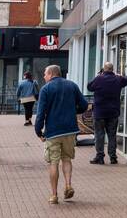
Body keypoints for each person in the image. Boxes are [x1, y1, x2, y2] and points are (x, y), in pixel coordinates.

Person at [34, 65, 89, 205]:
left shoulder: (46, 89)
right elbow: (84, 105)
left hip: (53, 131)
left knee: (53, 162)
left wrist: (38, 131)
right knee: (67, 159)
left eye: (45, 74)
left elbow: (40, 113)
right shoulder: (72, 85)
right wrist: (72, 111)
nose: (44, 77)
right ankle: (68, 185)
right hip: (70, 130)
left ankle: (54, 195)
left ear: (51, 74)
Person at [87, 61, 127, 165]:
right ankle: (113, 157)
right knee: (112, 135)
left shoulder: (99, 79)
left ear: (104, 69)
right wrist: (120, 75)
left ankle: (100, 157)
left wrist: (98, 75)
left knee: (99, 135)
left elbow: (89, 87)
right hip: (113, 113)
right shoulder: (118, 79)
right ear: (112, 69)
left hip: (99, 113)